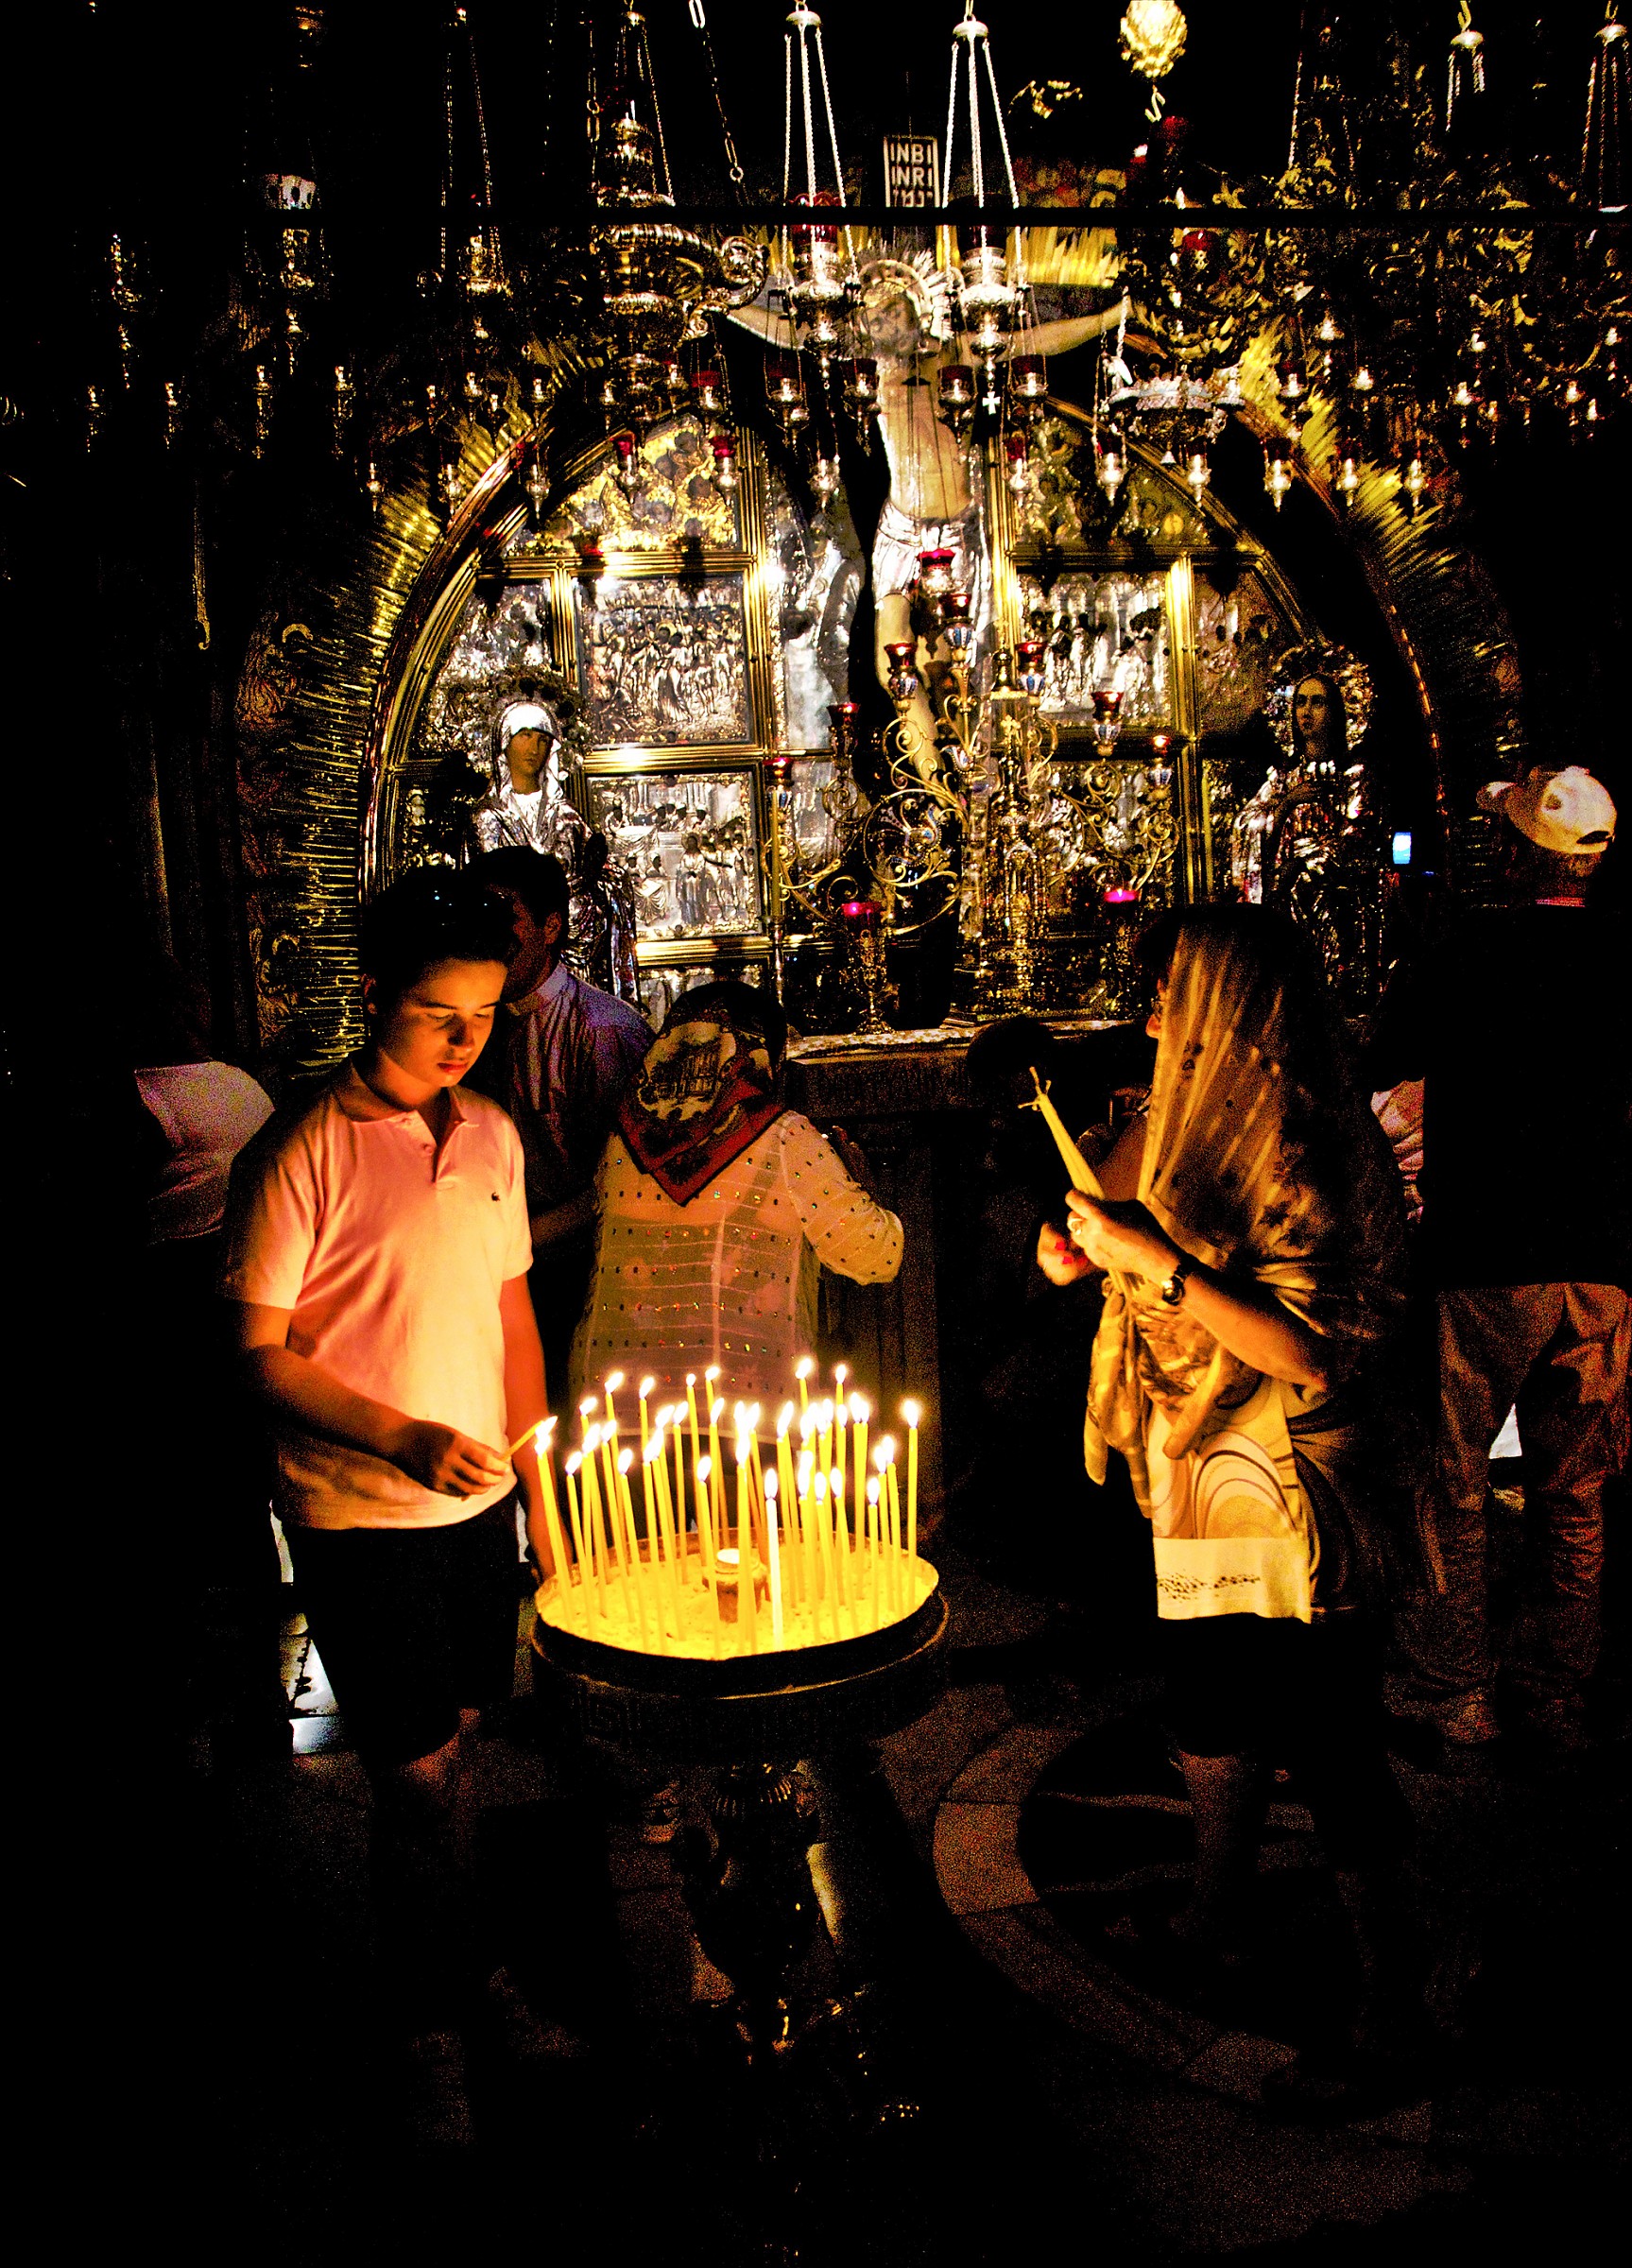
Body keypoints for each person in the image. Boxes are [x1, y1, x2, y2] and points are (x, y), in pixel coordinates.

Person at [1039, 907, 1429, 2065]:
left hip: (1301, 1482)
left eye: (1170, 994)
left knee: (1331, 1739)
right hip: (1206, 1466)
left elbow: (1313, 1348)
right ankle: (1213, 1917)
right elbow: (1118, 1218)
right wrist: (1082, 1248)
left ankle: (1392, 2012)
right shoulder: (1184, 1111)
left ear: (1228, 1003)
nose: (1150, 1018)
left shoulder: (1306, 1140)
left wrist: (1157, 1266)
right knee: (1212, 1701)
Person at [219, 868, 558, 2139]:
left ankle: (464, 1973)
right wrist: (399, 1435)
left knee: (458, 1761)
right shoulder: (299, 1149)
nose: (465, 1040)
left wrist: (540, 1487)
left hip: (477, 1514)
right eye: (436, 1014)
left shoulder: (492, 1136)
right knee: (417, 1783)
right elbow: (255, 1355)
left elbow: (510, 1318)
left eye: (484, 1014)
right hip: (358, 1516)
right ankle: (430, 2022)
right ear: (374, 995)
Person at [1371, 764, 1628, 1760]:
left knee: (1452, 1484)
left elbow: (1386, 1086)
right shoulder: (1625, 958)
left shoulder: (1461, 956)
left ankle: (1454, 1692)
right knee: (1575, 1493)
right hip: (1599, 1262)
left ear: (1519, 856)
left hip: (1482, 1255)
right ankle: (1556, 1696)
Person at [573, 979, 902, 1408]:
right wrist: (863, 1186)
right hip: (745, 1404)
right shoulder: (784, 1138)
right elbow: (877, 1255)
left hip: (619, 1402)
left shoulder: (621, 1141)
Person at [127, 950, 280, 1756]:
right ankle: (253, 1660)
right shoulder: (242, 1087)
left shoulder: (145, 1099)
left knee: (180, 1485)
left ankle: (202, 1664)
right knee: (235, 1485)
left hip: (169, 1300)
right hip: (234, 1285)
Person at [469, 846, 652, 1408]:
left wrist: (524, 1237)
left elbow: (626, 1180)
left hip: (586, 1269)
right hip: (502, 1263)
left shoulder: (601, 1030)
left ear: (550, 928)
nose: (490, 932)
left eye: (505, 914)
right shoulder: (477, 1021)